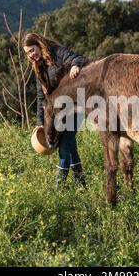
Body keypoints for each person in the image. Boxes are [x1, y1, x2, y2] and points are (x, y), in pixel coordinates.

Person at [23, 33, 86, 189]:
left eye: (32, 50)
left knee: (65, 145)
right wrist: (39, 122)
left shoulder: (56, 51)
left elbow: (77, 57)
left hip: (76, 105)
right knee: (70, 146)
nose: (31, 55)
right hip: (59, 111)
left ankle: (58, 189)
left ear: (39, 45)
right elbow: (40, 97)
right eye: (28, 53)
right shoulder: (38, 67)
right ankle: (81, 186)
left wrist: (75, 65)